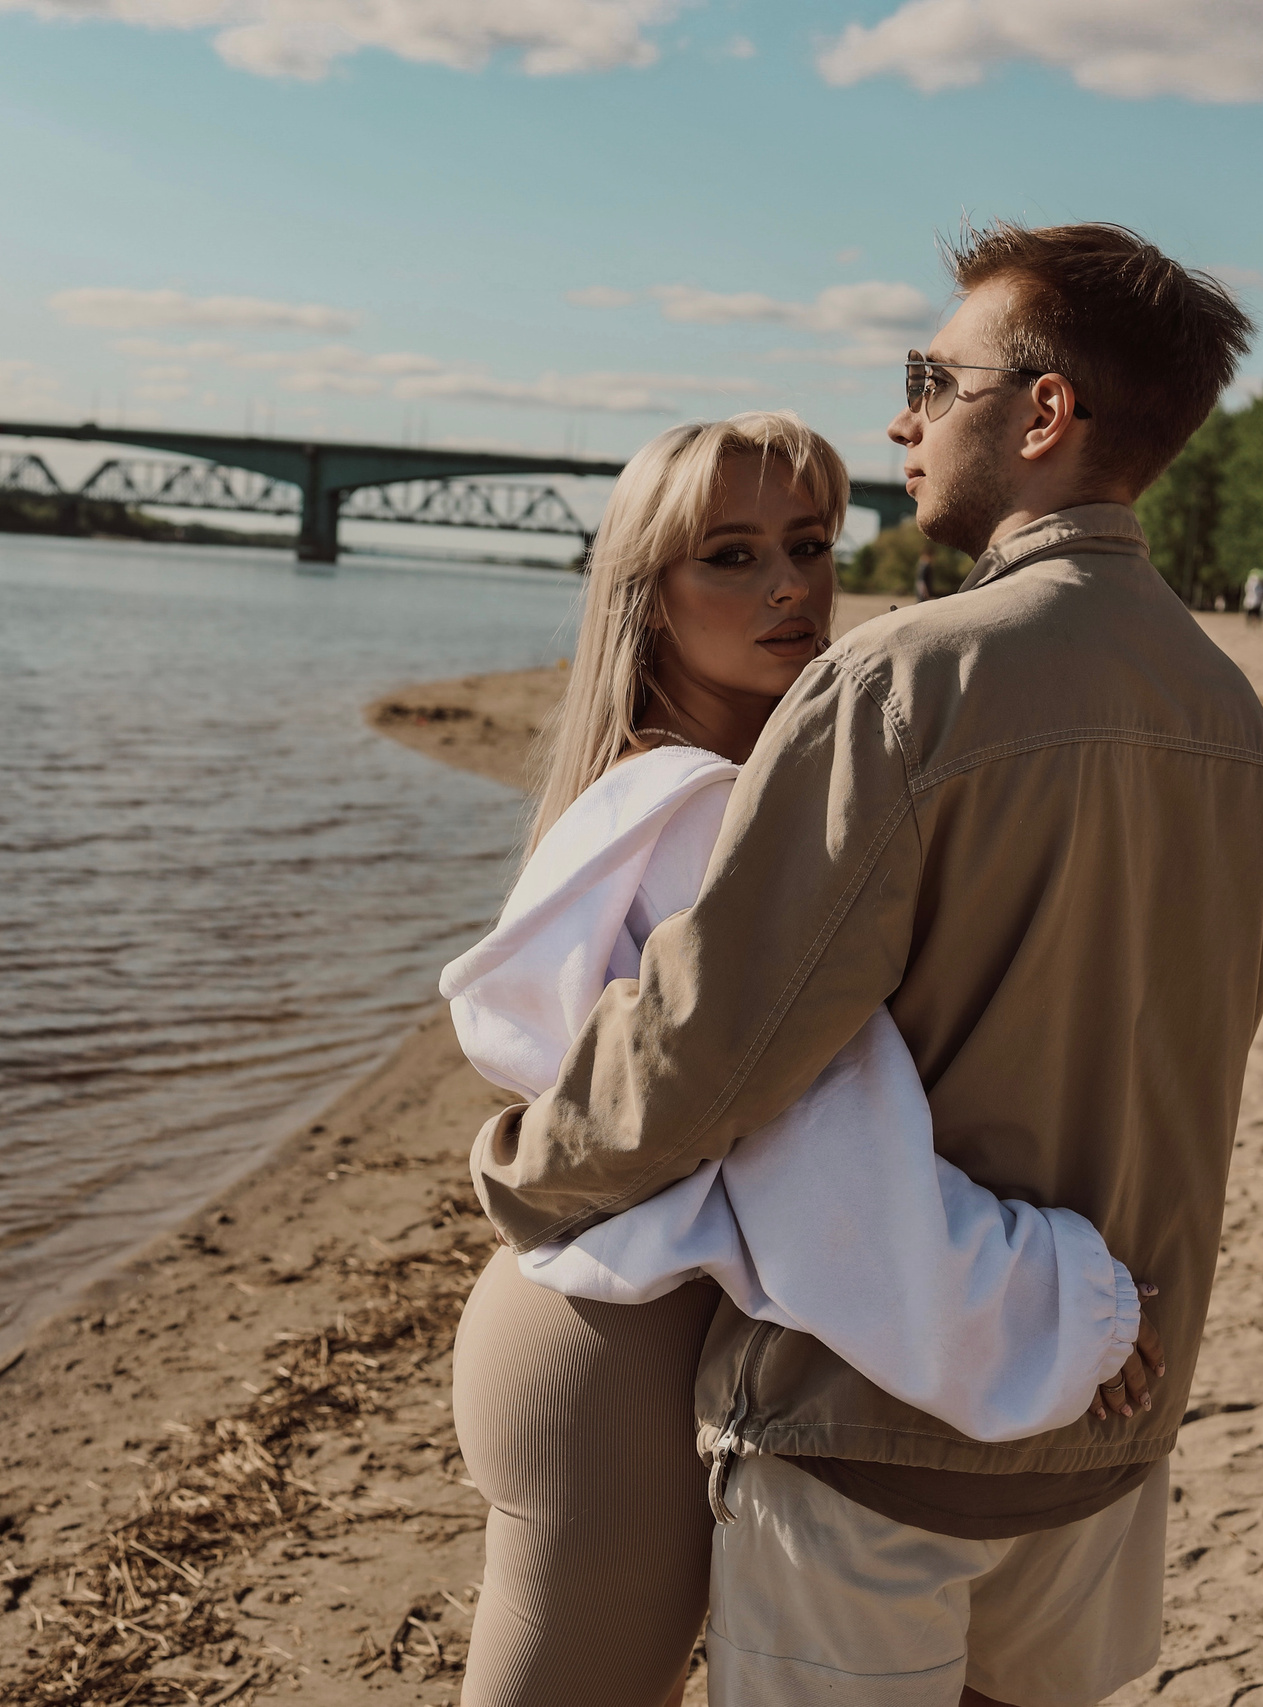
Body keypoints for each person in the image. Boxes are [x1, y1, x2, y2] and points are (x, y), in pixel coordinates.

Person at [472, 225, 1263, 1707]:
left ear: (1044, 415)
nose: (903, 417)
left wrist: (527, 1168)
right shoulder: (1239, 727)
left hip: (877, 1424)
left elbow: (730, 1047)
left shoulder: (900, 682)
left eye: (932, 375)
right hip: (1110, 1422)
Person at [443, 412, 1156, 1707]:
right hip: (613, 1363)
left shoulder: (661, 788)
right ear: (645, 600)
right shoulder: (711, 814)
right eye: (728, 554)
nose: (789, 585)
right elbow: (815, 1136)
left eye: (809, 542)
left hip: (593, 1331)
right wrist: (1057, 1300)